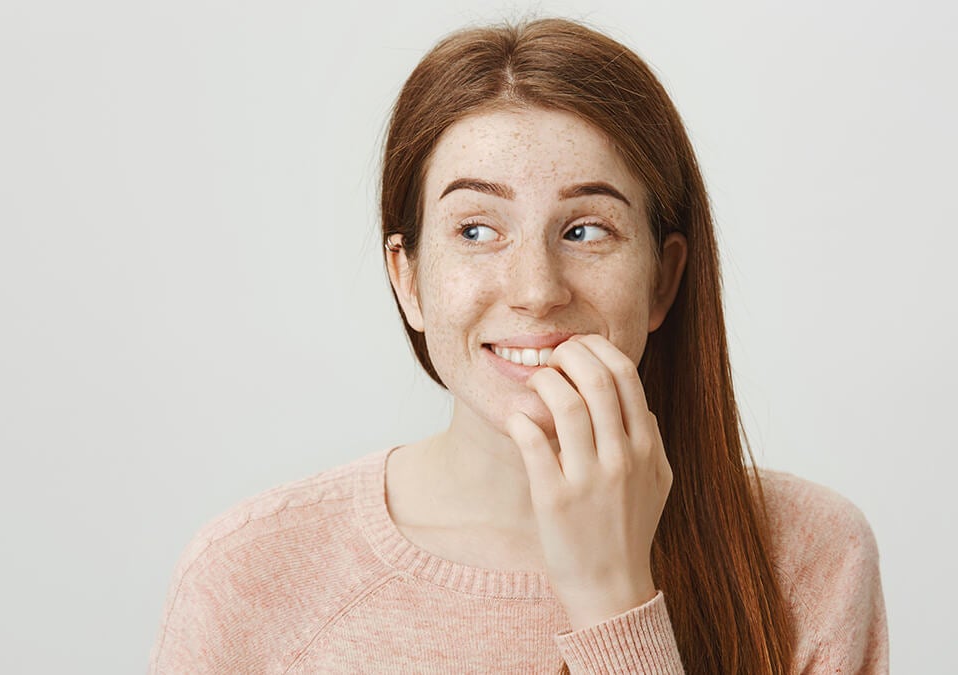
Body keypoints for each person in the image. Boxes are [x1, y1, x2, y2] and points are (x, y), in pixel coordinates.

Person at [148, 17, 888, 674]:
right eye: (476, 230)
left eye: (586, 230)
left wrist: (612, 600)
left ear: (662, 281)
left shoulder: (812, 558)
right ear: (408, 280)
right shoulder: (247, 576)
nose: (536, 290)